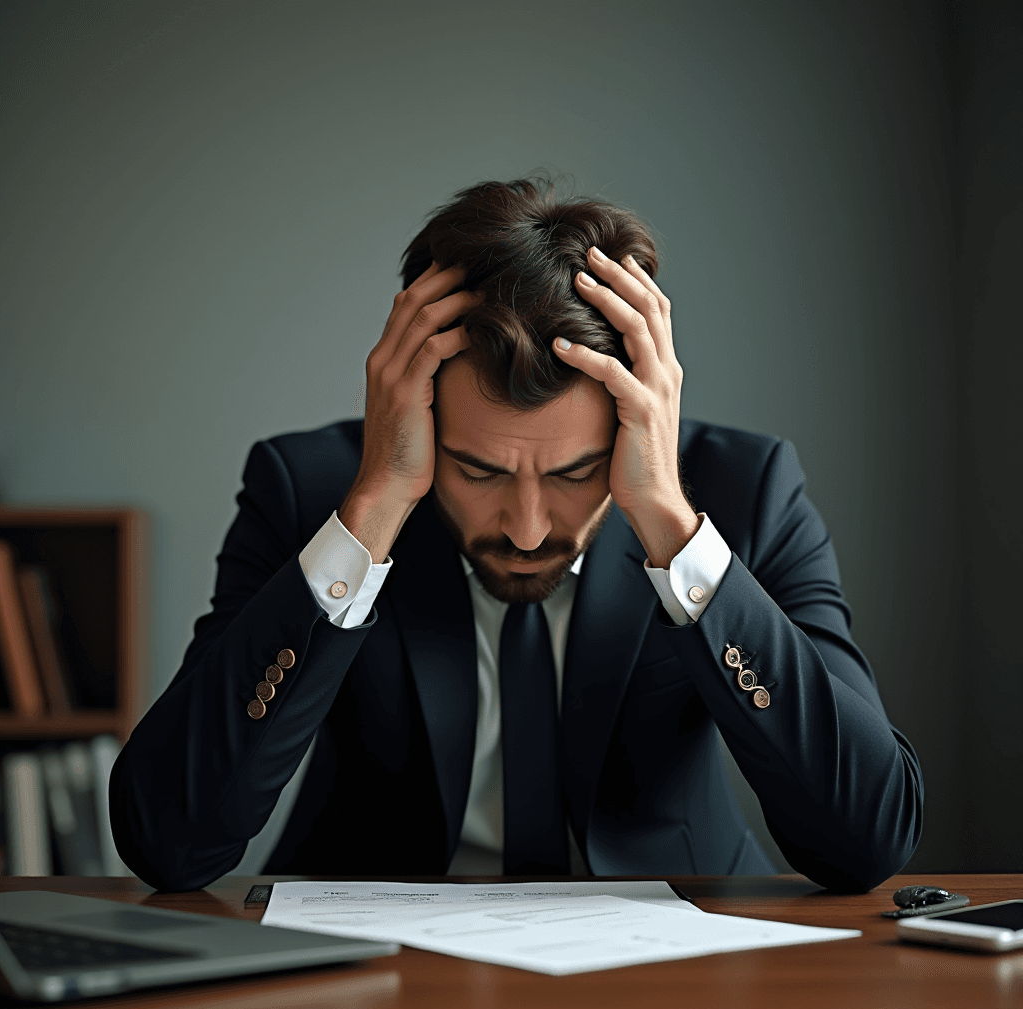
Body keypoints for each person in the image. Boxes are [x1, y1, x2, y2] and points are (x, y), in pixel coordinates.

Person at [111, 178, 923, 893]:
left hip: (680, 954)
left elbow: (867, 840)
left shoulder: (747, 493)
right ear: (417, 412)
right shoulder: (310, 494)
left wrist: (672, 532)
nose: (529, 530)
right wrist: (373, 515)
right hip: (373, 960)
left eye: (575, 474)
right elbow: (169, 844)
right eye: (479, 471)